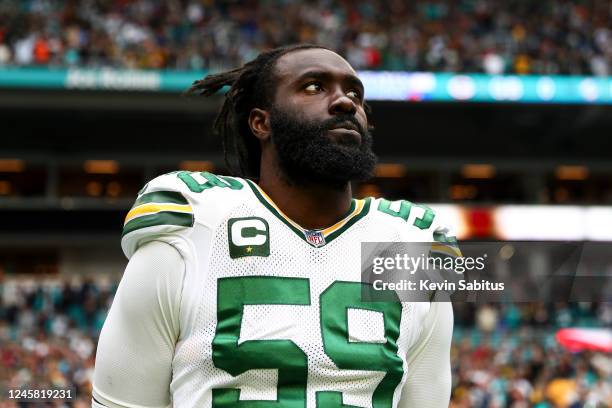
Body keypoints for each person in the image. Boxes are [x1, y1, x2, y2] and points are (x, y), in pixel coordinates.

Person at [92, 44, 458, 408]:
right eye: (314, 87)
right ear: (261, 122)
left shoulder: (412, 243)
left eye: (354, 93)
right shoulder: (196, 223)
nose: (345, 102)